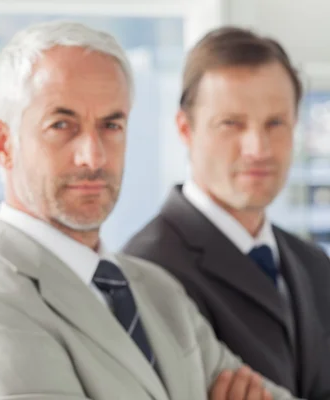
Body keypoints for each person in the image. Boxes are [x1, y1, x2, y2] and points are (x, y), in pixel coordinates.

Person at [0, 21, 298, 400]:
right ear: (3, 143)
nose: (94, 156)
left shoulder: (159, 290)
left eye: (111, 125)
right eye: (62, 125)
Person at [123, 26, 330, 399]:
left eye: (275, 123)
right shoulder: (145, 272)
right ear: (185, 130)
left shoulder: (314, 264)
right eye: (231, 124)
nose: (258, 148)